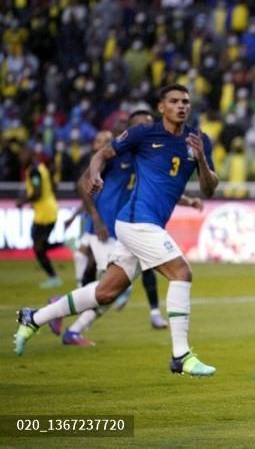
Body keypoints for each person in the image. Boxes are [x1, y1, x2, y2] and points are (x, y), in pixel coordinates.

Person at [15, 84, 219, 377]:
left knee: (106, 292)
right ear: (161, 107)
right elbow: (102, 153)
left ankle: (34, 317)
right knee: (182, 272)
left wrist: (200, 160)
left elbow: (209, 189)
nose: (181, 106)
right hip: (136, 222)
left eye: (185, 101)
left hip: (146, 225)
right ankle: (181, 355)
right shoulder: (144, 134)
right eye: (174, 101)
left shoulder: (199, 140)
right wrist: (95, 174)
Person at [16, 147, 62, 289]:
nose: (21, 157)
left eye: (24, 153)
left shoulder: (34, 171)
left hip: (45, 213)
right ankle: (63, 244)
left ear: (31, 155)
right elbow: (52, 186)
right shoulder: (40, 167)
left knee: (38, 246)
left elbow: (38, 192)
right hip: (47, 210)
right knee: (39, 246)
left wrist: (22, 201)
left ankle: (54, 278)